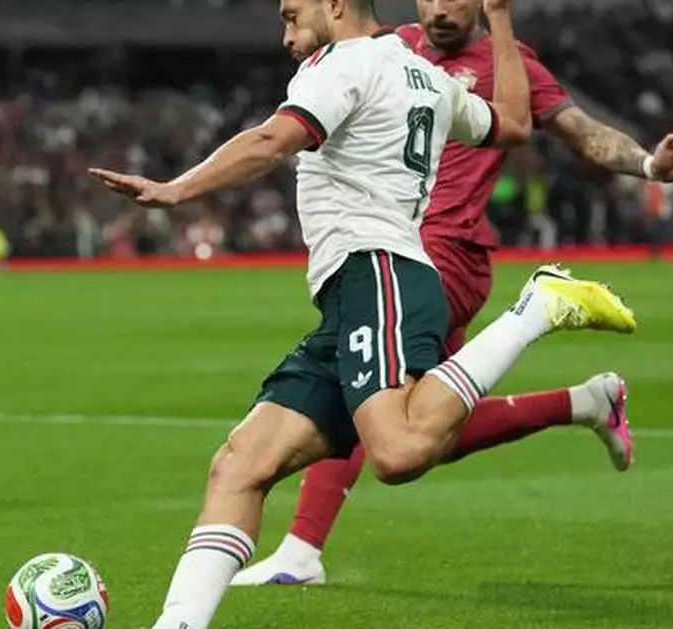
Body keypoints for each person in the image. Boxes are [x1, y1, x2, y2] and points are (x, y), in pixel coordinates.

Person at [90, 0, 636, 627]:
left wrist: (177, 188)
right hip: (357, 291)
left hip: (377, 271)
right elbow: (513, 123)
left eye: (294, 15)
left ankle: (537, 307)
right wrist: (501, 18)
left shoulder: (343, 65)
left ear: (336, 5)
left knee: (399, 452)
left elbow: (273, 140)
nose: (286, 33)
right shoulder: (423, 73)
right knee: (241, 466)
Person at [231, 0, 673, 587]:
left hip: (445, 251)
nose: (436, 8)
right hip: (400, 246)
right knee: (434, 434)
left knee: (367, 387)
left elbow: (580, 131)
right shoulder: (389, 47)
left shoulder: (509, 62)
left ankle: (302, 548)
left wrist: (650, 166)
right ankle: (586, 402)